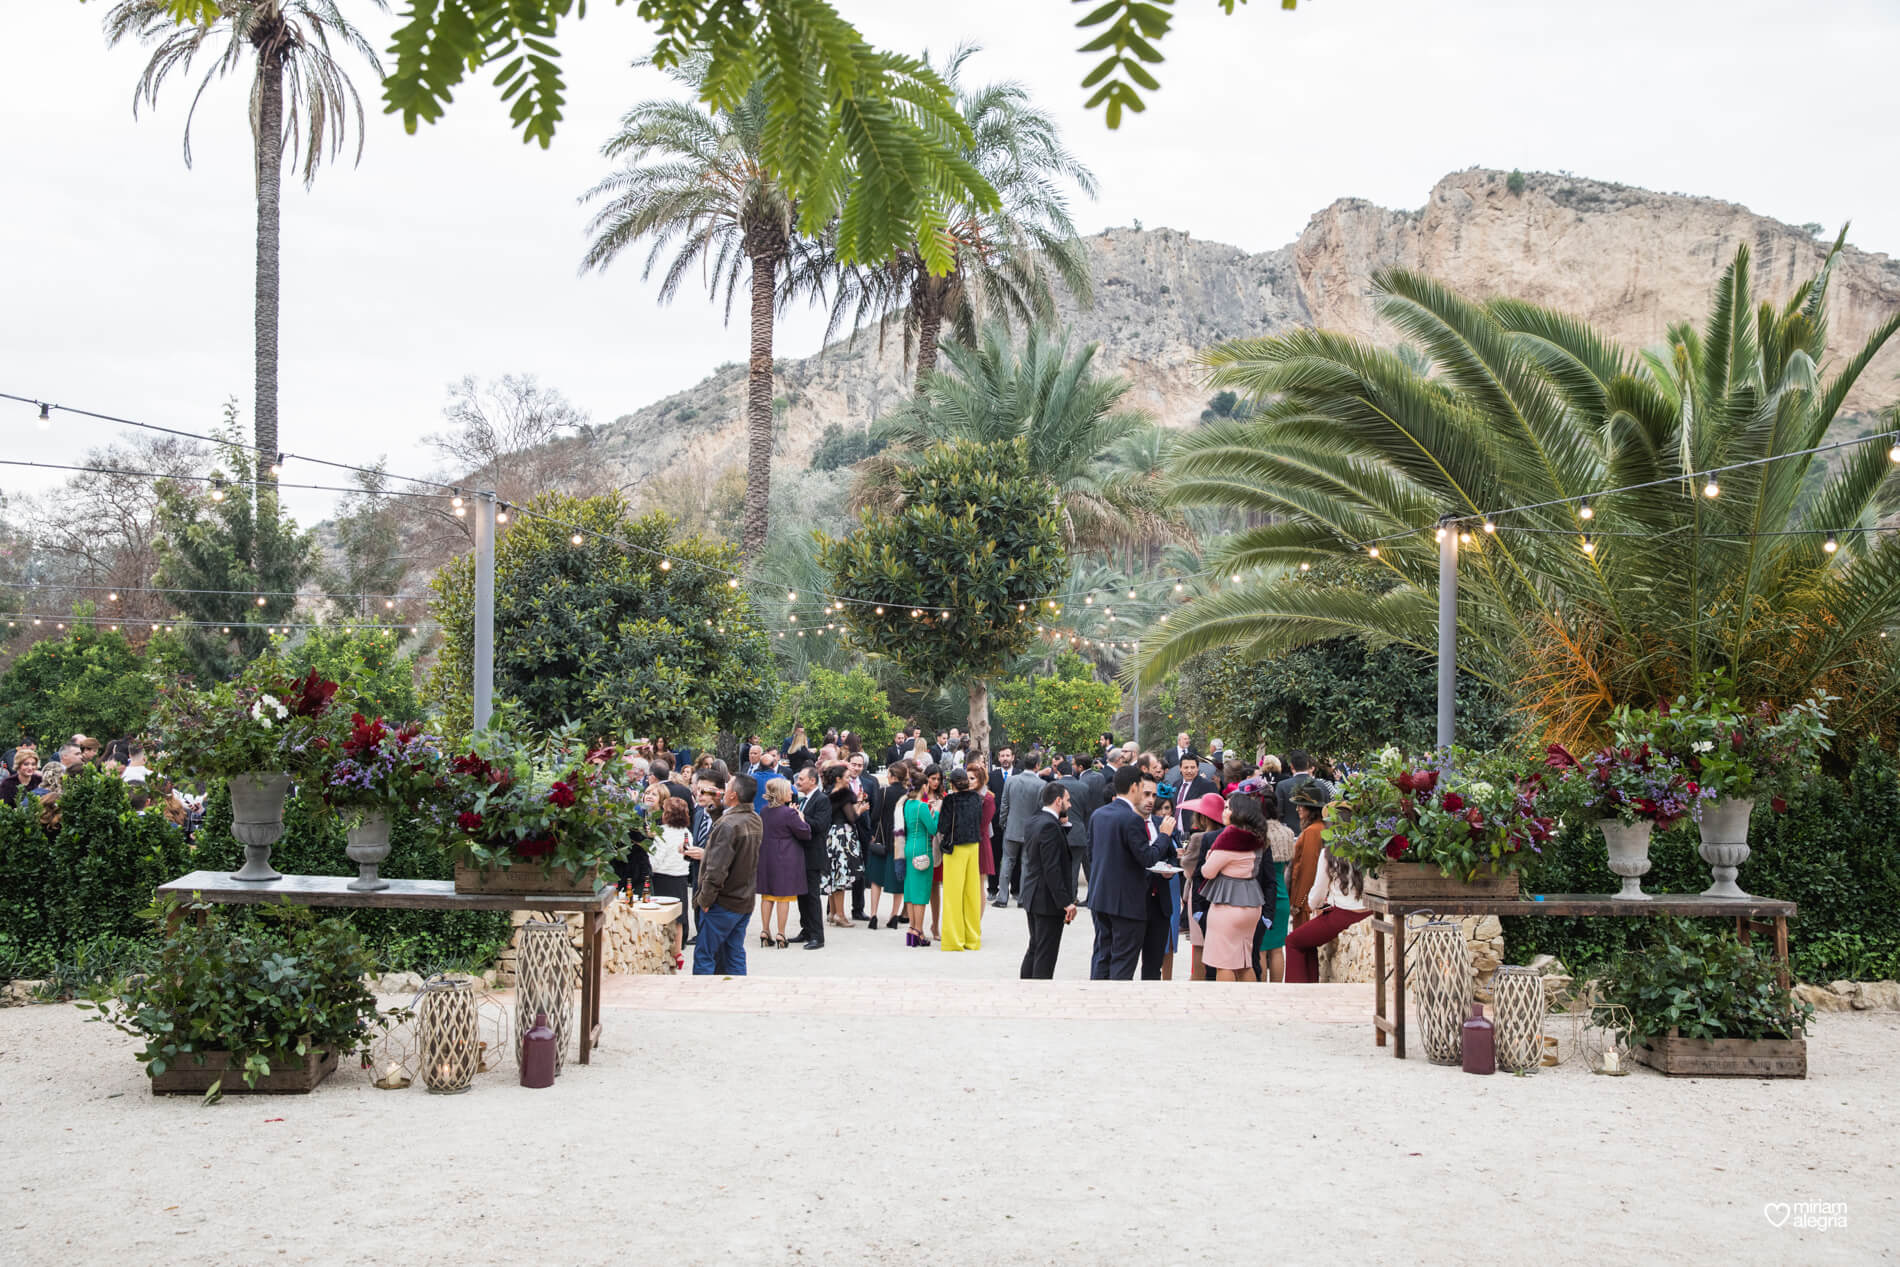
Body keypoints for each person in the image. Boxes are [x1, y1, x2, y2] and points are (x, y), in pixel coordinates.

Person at [1086, 766, 1172, 980]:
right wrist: (1164, 836)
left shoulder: (1099, 814)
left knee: (1102, 955)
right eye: (1143, 789)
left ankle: (1096, 1000)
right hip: (1125, 903)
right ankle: (1115, 1004)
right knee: (1123, 961)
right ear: (1134, 787)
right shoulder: (1131, 818)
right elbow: (1148, 858)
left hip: (1100, 897)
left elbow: (1091, 854)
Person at [1199, 793, 1274, 982]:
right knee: (1244, 962)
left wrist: (1210, 854)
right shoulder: (1256, 838)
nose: (1223, 811)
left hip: (1228, 906)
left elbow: (1207, 871)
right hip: (1251, 904)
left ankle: (1227, 1006)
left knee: (1223, 963)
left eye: (1227, 808)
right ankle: (1249, 1004)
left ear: (1237, 813)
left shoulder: (1230, 838)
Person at [693, 774, 762, 975]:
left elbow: (716, 869)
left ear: (732, 795)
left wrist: (704, 900)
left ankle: (700, 997)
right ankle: (738, 998)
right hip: (744, 899)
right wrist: (717, 812)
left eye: (727, 787)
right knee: (734, 952)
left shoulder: (728, 825)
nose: (722, 790)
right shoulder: (755, 819)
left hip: (723, 902)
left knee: (705, 954)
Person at [1285, 826, 1369, 983]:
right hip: (1367, 911)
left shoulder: (1328, 853)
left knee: (1293, 941)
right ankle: (1309, 987)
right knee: (1306, 941)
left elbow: (1317, 893)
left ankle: (1297, 991)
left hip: (1343, 914)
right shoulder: (1368, 849)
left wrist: (1313, 905)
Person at [1020, 781, 1078, 979]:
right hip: (1046, 899)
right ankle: (1038, 992)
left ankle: (1025, 987)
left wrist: (1063, 828)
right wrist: (1066, 903)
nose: (1069, 805)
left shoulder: (1035, 820)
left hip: (1033, 894)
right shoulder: (1049, 827)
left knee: (1035, 947)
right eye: (1068, 801)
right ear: (1058, 800)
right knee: (1045, 952)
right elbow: (1051, 868)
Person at [754, 777, 810, 949]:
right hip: (785, 857)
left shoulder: (764, 811)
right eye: (788, 790)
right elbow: (805, 833)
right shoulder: (789, 813)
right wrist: (801, 817)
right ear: (780, 793)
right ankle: (781, 933)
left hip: (767, 856)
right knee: (783, 896)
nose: (791, 792)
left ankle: (764, 931)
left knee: (768, 895)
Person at [936, 767, 986, 952]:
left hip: (955, 848)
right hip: (973, 846)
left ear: (952, 784)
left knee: (953, 895)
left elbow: (942, 826)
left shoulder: (950, 800)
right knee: (971, 893)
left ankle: (953, 940)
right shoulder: (976, 798)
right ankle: (972, 939)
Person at [791, 765, 832, 949]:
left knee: (812, 895)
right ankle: (806, 929)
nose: (797, 782)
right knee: (802, 894)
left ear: (813, 781)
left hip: (813, 853)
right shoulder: (803, 799)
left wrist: (802, 818)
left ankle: (817, 935)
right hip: (801, 853)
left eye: (801, 779)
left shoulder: (821, 799)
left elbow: (821, 826)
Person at [995, 752, 1044, 908]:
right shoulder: (1041, 784)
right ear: (1037, 765)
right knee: (1026, 864)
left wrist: (1003, 823)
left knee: (1007, 862)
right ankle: (1023, 899)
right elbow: (1041, 810)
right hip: (1031, 831)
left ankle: (1002, 898)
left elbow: (1004, 805)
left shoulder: (1011, 780)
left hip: (1011, 827)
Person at [651, 796, 694, 968]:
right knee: (679, 918)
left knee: (660, 916)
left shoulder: (662, 832)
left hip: (662, 877)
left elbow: (656, 858)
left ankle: (659, 949)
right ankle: (678, 952)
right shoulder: (686, 833)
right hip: (680, 877)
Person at [867, 763, 911, 930]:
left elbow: (875, 816)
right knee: (897, 879)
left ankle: (873, 915)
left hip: (882, 838)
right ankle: (894, 915)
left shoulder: (883, 791)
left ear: (892, 776)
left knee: (876, 879)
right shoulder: (908, 795)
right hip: (900, 840)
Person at [901, 768, 941, 947]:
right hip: (922, 848)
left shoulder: (908, 804)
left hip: (909, 846)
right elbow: (933, 829)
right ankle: (918, 931)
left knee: (910, 890)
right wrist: (937, 812)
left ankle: (911, 929)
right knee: (921, 893)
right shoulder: (922, 806)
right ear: (924, 786)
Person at [819, 763, 861, 930]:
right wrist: (861, 809)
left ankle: (832, 912)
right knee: (841, 874)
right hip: (842, 834)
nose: (849, 779)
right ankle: (840, 915)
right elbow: (852, 817)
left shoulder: (827, 792)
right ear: (838, 779)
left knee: (833, 872)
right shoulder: (843, 795)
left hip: (830, 835)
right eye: (846, 777)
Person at [1287, 783, 1330, 931]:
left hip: (1306, 902)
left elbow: (1308, 868)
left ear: (1311, 809)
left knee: (1302, 946)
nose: (1298, 808)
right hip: (1312, 898)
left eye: (1302, 805)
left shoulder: (1312, 831)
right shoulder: (1320, 827)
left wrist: (1299, 902)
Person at [1174, 755, 1218, 832]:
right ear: (1180, 768)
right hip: (1176, 832)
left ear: (1197, 768)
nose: (1189, 771)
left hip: (1196, 833)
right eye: (1186, 767)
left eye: (1193, 767)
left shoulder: (1207, 785)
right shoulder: (1176, 784)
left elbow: (1214, 812)